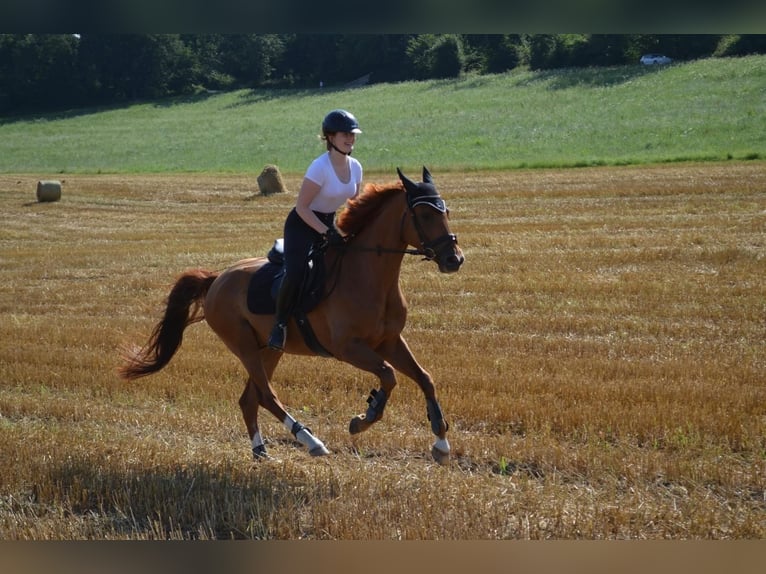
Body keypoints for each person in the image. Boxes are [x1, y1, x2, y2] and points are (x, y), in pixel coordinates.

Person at [267, 109, 364, 351]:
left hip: (329, 223)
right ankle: (279, 326)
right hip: (302, 225)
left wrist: (352, 230)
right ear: (330, 137)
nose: (351, 138)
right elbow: (302, 207)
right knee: (297, 272)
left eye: (353, 134)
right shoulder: (319, 167)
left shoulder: (356, 167)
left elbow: (354, 204)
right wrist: (325, 231)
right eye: (345, 134)